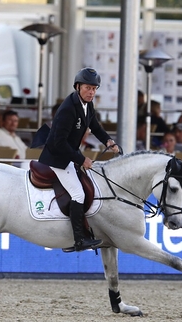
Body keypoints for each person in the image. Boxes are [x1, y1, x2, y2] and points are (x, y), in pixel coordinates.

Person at [38, 67, 118, 252]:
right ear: (78, 86)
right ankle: (79, 240)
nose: (92, 92)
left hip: (68, 155)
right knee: (78, 194)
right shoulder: (68, 109)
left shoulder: (87, 104)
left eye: (94, 89)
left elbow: (95, 126)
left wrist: (108, 141)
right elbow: (58, 143)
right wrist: (82, 160)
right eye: (88, 88)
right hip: (57, 157)